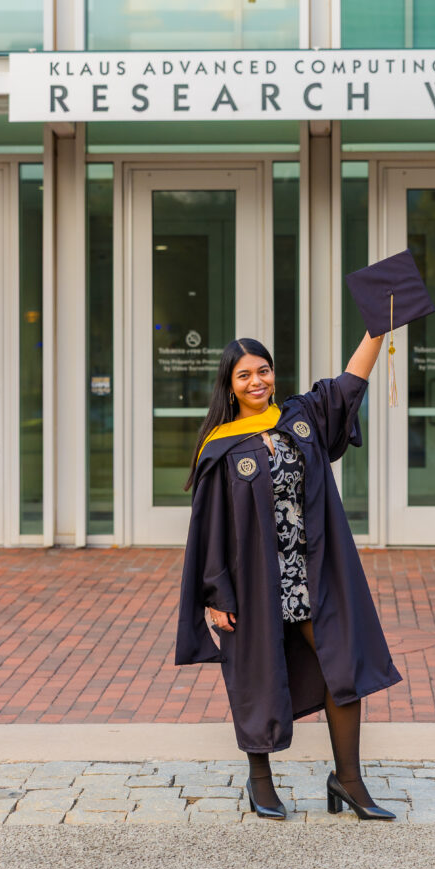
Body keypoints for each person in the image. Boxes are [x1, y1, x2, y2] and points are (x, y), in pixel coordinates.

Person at [174, 332, 403, 821]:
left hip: (312, 574)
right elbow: (210, 529)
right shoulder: (220, 447)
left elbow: (348, 385)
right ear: (230, 385)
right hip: (252, 581)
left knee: (342, 663)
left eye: (263, 370)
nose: (257, 381)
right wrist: (216, 593)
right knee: (255, 673)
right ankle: (261, 783)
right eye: (245, 375)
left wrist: (375, 333)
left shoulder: (299, 418)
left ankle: (348, 781)